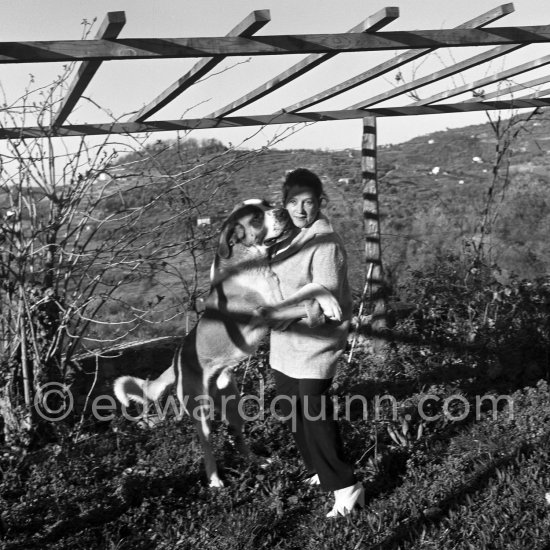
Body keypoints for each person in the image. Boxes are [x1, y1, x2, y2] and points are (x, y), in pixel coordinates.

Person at [267, 168, 364, 518]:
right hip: (285, 343)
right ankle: (318, 470)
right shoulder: (286, 238)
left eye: (309, 202)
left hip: (316, 342)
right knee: (291, 408)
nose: (301, 210)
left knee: (312, 408)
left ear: (321, 202)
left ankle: (345, 485)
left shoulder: (325, 242)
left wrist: (284, 314)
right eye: (294, 202)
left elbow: (325, 306)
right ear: (285, 204)